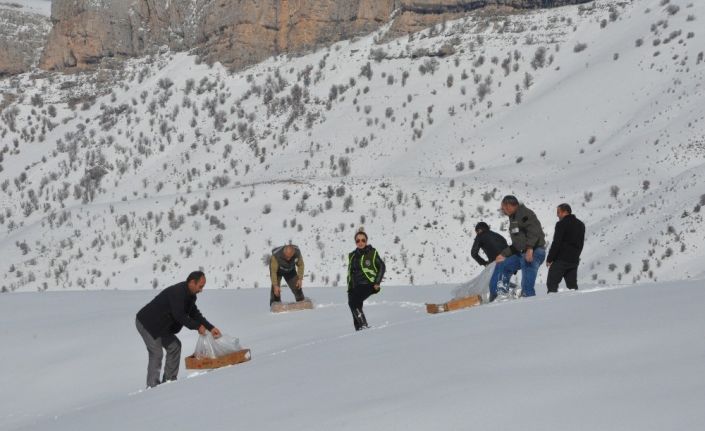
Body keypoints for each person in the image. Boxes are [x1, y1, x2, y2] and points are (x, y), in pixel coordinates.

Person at [135, 271, 221, 388]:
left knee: (175, 346)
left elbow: (195, 314)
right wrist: (197, 327)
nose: (201, 290)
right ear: (192, 282)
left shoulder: (190, 296)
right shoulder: (178, 293)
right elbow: (179, 315)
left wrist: (211, 328)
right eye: (200, 286)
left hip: (162, 326)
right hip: (147, 322)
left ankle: (169, 382)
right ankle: (152, 386)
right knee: (157, 353)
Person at [490, 195, 547, 301]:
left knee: (527, 285)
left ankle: (529, 302)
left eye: (503, 208)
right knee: (504, 265)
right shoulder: (514, 217)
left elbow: (534, 231)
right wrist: (503, 254)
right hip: (522, 252)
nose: (503, 211)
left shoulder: (524, 214)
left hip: (534, 251)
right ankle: (501, 294)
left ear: (508, 206)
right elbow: (518, 244)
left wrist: (530, 249)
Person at [347, 229, 385, 331]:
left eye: (363, 240)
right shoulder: (352, 255)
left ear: (366, 241)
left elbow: (382, 266)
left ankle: (364, 326)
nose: (360, 242)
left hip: (367, 284)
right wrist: (349, 287)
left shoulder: (371, 253)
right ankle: (359, 331)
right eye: (358, 240)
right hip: (353, 287)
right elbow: (350, 271)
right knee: (355, 306)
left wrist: (377, 282)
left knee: (353, 303)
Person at [546, 203, 585, 293]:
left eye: (558, 212)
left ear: (565, 212)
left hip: (561, 259)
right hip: (574, 260)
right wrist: (576, 255)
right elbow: (581, 243)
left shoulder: (561, 224)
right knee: (572, 286)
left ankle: (551, 305)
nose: (557, 215)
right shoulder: (581, 224)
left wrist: (550, 258)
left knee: (552, 284)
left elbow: (556, 243)